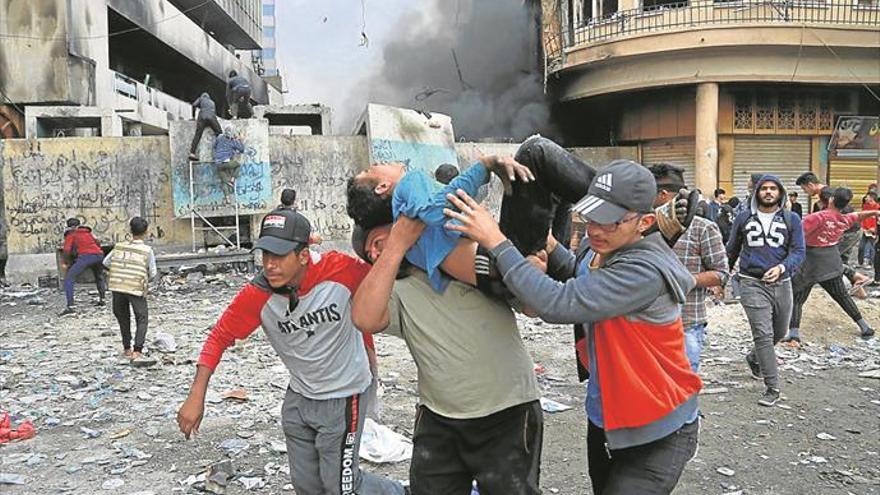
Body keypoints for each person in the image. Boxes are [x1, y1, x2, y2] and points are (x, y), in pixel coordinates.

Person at [444, 160, 702, 495]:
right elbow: (578, 272)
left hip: (658, 429)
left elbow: (558, 302)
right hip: (609, 419)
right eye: (591, 216)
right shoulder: (603, 251)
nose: (595, 229)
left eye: (609, 222)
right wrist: (551, 247)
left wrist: (497, 241)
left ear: (645, 223)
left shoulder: (644, 271)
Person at [176, 208, 404, 495]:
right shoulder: (258, 294)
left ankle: (398, 491)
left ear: (303, 255)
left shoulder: (342, 270)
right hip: (299, 400)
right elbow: (219, 337)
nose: (270, 265)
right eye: (265, 255)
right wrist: (196, 396)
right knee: (307, 486)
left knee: (341, 487)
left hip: (344, 398)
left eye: (279, 256)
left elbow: (377, 295)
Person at [346, 136, 698, 294]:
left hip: (502, 267)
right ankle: (638, 216)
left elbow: (447, 206)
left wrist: (486, 172)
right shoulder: (408, 193)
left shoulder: (408, 228)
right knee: (535, 153)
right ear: (381, 188)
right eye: (375, 167)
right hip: (500, 262)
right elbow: (441, 206)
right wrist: (485, 167)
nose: (383, 162)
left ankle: (633, 227)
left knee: (549, 185)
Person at [350, 220, 543, 495]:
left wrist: (534, 275)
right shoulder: (395, 289)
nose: (376, 254)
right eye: (370, 253)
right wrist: (394, 249)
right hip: (439, 419)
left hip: (508, 412)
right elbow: (364, 318)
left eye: (379, 242)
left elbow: (532, 306)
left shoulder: (464, 258)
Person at [726, 175, 805, 406]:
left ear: (780, 193)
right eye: (764, 189)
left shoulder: (791, 219)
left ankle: (754, 357)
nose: (768, 192)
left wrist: (782, 267)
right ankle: (773, 388)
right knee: (763, 334)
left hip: (782, 283)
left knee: (780, 332)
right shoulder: (743, 218)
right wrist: (720, 281)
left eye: (773, 189)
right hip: (751, 282)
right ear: (756, 192)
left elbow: (799, 251)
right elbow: (731, 250)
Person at [650, 164, 729, 371]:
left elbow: (722, 274)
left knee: (682, 391)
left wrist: (685, 280)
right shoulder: (640, 226)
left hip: (686, 324)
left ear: (663, 195)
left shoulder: (703, 228)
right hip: (645, 325)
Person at [784, 188, 878, 343]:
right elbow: (857, 216)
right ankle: (865, 327)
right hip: (831, 263)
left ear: (831, 200)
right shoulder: (843, 219)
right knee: (842, 296)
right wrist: (874, 213)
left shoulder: (817, 217)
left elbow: (796, 235)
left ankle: (794, 333)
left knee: (797, 297)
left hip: (811, 263)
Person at [103, 217, 157, 360]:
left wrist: (120, 271)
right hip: (136, 287)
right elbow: (153, 273)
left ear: (130, 230)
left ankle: (127, 348)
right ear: (146, 232)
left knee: (123, 318)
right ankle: (137, 351)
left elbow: (106, 262)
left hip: (118, 286)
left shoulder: (119, 246)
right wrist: (142, 277)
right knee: (142, 318)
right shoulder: (147, 250)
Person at [60, 218, 106, 315]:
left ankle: (70, 306)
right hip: (99, 255)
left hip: (86, 256)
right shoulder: (87, 232)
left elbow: (67, 250)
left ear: (69, 227)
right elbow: (97, 242)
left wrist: (65, 262)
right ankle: (102, 300)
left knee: (69, 278)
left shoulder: (71, 234)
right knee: (99, 276)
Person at [189, 92, 222, 161]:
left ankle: (192, 153)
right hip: (211, 117)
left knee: (197, 135)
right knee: (219, 133)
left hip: (202, 117)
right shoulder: (212, 102)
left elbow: (194, 105)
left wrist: (193, 116)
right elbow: (214, 113)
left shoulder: (201, 99)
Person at [858, 191, 878, 268]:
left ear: (872, 198)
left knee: (870, 247)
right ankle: (860, 262)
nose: (866, 198)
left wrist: (875, 229)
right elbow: (863, 217)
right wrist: (863, 227)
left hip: (873, 231)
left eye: (868, 197)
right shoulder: (865, 206)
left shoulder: (877, 207)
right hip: (865, 230)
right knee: (861, 247)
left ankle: (869, 262)